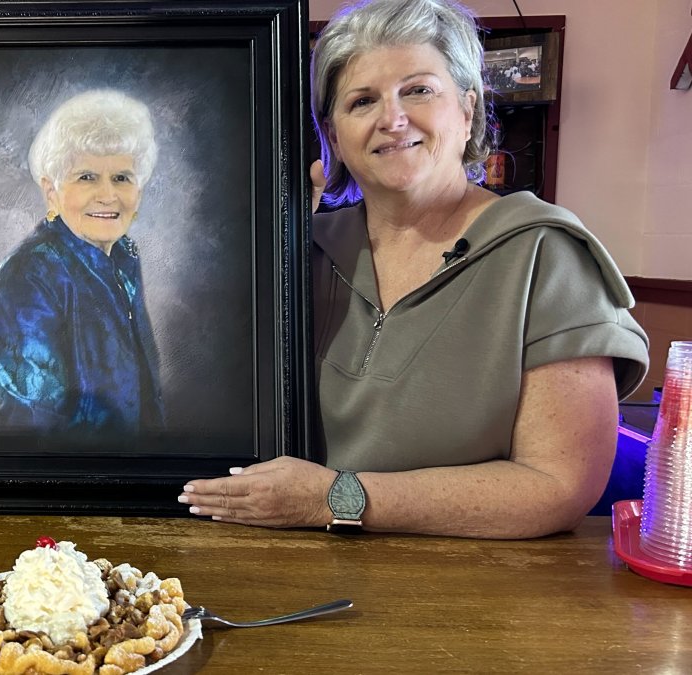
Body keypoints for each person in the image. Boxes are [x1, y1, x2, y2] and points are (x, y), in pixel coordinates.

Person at [179, 0, 648, 538]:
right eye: (362, 101)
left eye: (419, 90)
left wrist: (337, 498)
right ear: (333, 136)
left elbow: (559, 485)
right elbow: (193, 391)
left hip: (473, 595)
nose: (392, 119)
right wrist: (259, 249)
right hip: (289, 576)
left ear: (467, 111)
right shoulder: (300, 250)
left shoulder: (546, 253)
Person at [0, 90, 163, 438]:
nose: (108, 195)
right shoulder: (28, 278)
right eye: (86, 177)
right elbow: (32, 428)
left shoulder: (123, 257)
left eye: (121, 177)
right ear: (51, 192)